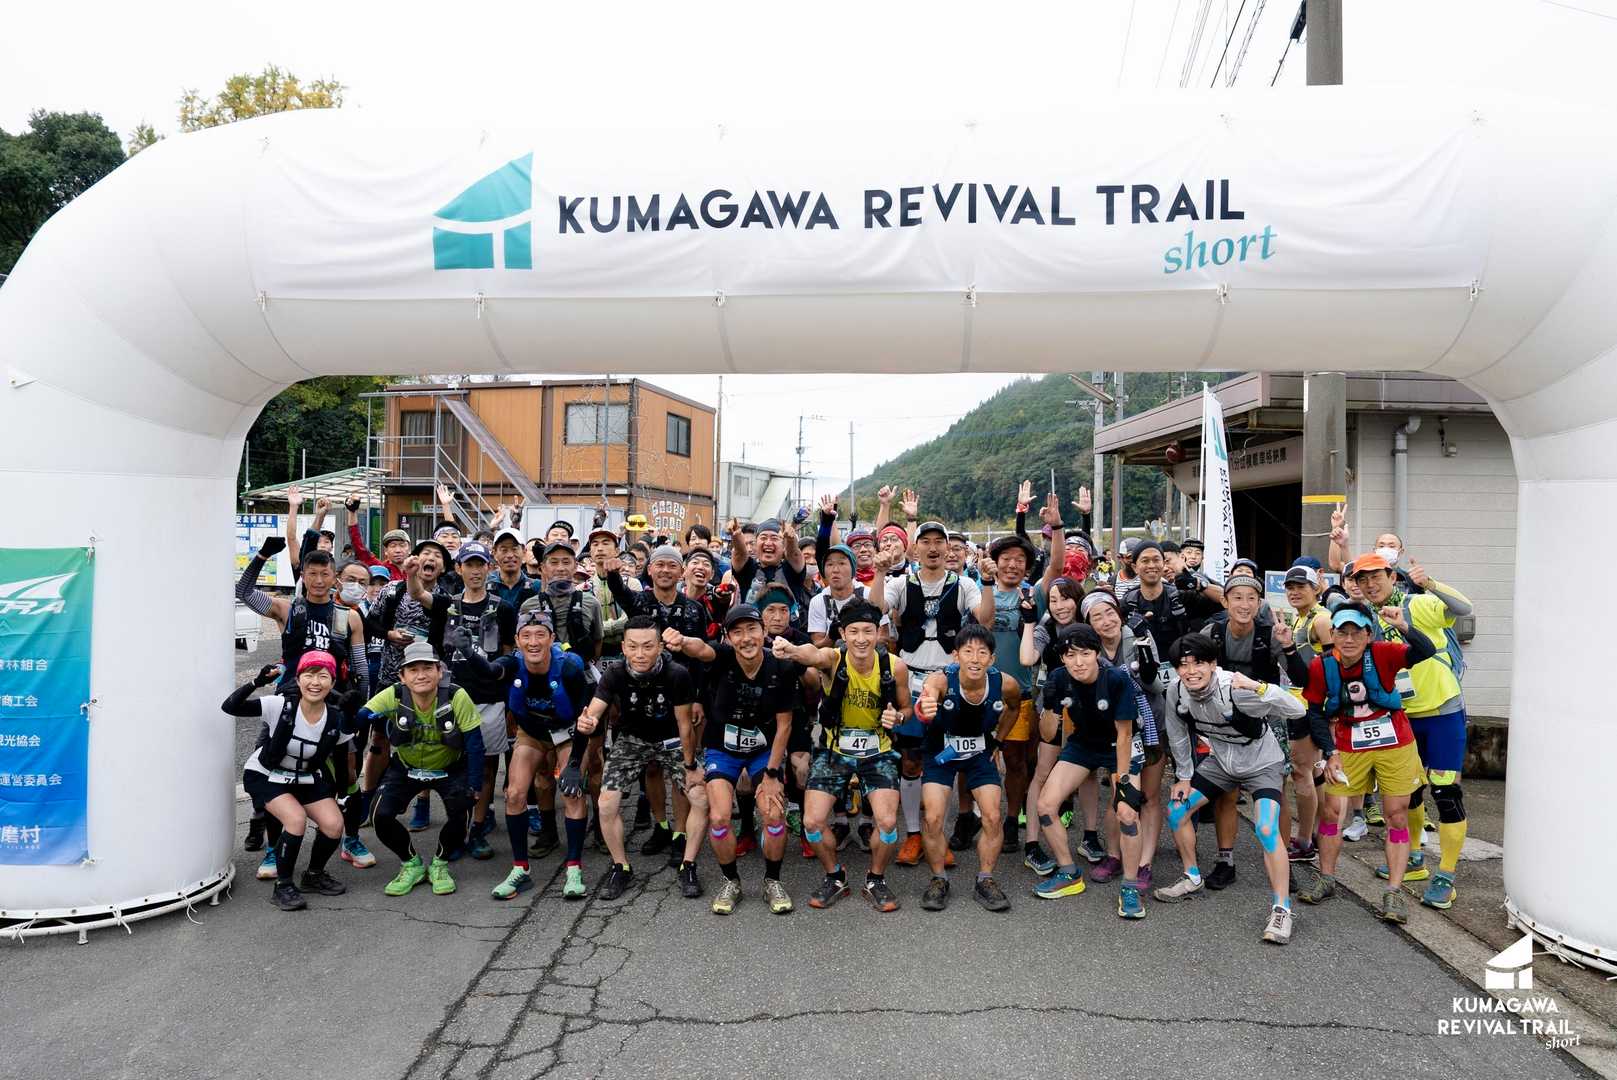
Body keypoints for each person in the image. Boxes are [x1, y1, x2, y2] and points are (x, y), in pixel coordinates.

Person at [1152, 633, 1313, 944]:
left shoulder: (1234, 689)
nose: (1191, 671)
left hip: (1262, 763)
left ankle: (1282, 910)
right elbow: (1177, 731)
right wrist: (1183, 776)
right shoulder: (1177, 690)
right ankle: (1192, 876)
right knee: (1177, 811)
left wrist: (1258, 687)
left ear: (1213, 664)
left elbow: (1297, 709)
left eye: (1199, 663)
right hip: (1221, 761)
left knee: (1266, 828)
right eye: (1183, 665)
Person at [1295, 601, 1436, 924]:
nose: (1349, 639)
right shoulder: (1322, 666)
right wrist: (1329, 751)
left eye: (1356, 632)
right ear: (1332, 634)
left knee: (1396, 814)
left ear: (1368, 635)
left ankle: (1394, 892)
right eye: (1342, 632)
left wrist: (1402, 625)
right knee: (1332, 810)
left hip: (1394, 741)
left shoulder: (1383, 653)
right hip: (1348, 742)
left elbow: (1425, 651)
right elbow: (1315, 712)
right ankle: (1327, 878)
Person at [1346, 552, 1474, 909]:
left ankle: (1446, 875)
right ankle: (1415, 858)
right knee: (1409, 791)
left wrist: (1428, 583)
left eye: (1376, 576)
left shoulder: (1417, 604)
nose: (1370, 584)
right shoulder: (1366, 619)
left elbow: (1464, 608)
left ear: (1392, 576)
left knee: (1446, 792)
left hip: (1442, 710)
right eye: (1362, 579)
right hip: (1401, 715)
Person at [771, 600, 912, 913]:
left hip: (879, 749)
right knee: (812, 823)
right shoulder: (833, 658)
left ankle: (876, 879)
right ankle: (835, 876)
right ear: (843, 634)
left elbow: (907, 708)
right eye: (854, 632)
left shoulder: (895, 666)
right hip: (834, 748)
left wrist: (899, 717)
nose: (861, 639)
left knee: (888, 823)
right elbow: (812, 653)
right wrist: (791, 650)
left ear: (879, 633)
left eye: (868, 631)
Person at [869, 514, 995, 864]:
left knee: (948, 757)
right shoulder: (901, 582)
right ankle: (914, 835)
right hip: (910, 679)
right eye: (926, 542)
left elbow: (984, 619)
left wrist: (987, 581)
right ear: (915, 548)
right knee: (911, 760)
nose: (933, 548)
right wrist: (879, 572)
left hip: (950, 681)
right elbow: (876, 608)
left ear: (948, 547)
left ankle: (936, 834)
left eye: (939, 541)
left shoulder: (964, 584)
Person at [673, 604, 795, 915]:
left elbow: (784, 726)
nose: (746, 638)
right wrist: (682, 641)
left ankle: (772, 880)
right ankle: (732, 881)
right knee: (719, 818)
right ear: (728, 638)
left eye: (752, 629)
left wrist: (772, 775)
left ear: (764, 632)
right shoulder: (723, 657)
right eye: (737, 632)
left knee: (773, 815)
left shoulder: (780, 667)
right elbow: (700, 649)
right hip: (722, 748)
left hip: (763, 749)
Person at [578, 617, 708, 899]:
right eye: (633, 647)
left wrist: (690, 766)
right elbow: (595, 709)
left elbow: (685, 726)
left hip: (671, 740)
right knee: (606, 804)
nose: (640, 654)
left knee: (700, 796)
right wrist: (588, 721)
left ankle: (688, 864)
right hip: (631, 741)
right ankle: (621, 866)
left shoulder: (677, 674)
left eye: (648, 646)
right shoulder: (614, 672)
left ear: (660, 646)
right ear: (623, 647)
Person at [1197, 568, 1310, 891]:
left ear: (1259, 603)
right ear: (1225, 601)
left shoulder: (1270, 634)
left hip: (1267, 719)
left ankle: (1282, 861)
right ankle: (1225, 861)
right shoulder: (1212, 633)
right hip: (1223, 718)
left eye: (1251, 598)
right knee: (1226, 791)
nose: (1244, 604)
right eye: (1237, 597)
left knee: (1277, 793)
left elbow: (1300, 678)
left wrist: (1289, 648)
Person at [407, 541, 518, 863]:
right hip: (450, 697)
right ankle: (457, 830)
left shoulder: (502, 608)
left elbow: (509, 652)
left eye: (480, 564)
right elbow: (418, 594)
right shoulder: (447, 604)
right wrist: (411, 574)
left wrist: (505, 690)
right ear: (459, 569)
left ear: (489, 568)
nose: (475, 571)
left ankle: (478, 829)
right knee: (453, 769)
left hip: (489, 698)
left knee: (486, 768)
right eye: (469, 565)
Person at [222, 652, 353, 910]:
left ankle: (313, 875)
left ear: (332, 682)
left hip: (304, 777)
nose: (315, 682)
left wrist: (342, 794)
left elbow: (340, 761)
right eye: (309, 675)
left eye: (323, 676)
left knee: (334, 824)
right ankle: (283, 885)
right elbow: (230, 707)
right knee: (295, 819)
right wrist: (257, 682)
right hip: (265, 774)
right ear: (298, 678)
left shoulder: (336, 717)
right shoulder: (280, 705)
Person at [355, 641, 485, 898]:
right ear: (402, 676)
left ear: (440, 671)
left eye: (428, 668)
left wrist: (475, 783)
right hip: (407, 766)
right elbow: (362, 715)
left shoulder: (457, 696)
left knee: (461, 813)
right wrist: (352, 714)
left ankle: (440, 864)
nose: (421, 675)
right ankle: (411, 864)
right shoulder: (394, 694)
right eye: (413, 670)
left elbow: (475, 743)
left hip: (450, 767)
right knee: (380, 815)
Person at [1031, 625, 1143, 915]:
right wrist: (1049, 707)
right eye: (1070, 655)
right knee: (1045, 805)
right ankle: (1069, 873)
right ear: (1063, 658)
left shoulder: (1116, 679)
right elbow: (1047, 734)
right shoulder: (1058, 678)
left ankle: (1131, 886)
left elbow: (1125, 735)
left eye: (1085, 654)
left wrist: (1123, 783)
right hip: (1083, 743)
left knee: (1127, 812)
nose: (1078, 662)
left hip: (1118, 745)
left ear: (1096, 653)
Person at [981, 484, 1065, 859]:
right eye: (1007, 559)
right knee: (976, 757)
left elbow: (1057, 568)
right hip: (981, 691)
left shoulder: (1033, 594)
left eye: (1020, 560)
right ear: (995, 562)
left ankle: (1013, 819)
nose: (1013, 564)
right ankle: (974, 818)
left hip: (1022, 695)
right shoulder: (979, 590)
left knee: (1016, 761)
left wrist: (1057, 527)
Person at [914, 623, 1020, 911]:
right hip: (941, 750)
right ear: (955, 655)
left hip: (979, 751)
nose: (975, 659)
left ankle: (985, 879)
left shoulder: (1005, 683)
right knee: (933, 818)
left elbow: (1014, 707)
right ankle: (938, 879)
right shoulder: (941, 680)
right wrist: (926, 706)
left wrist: (999, 740)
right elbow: (927, 696)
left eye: (982, 653)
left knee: (992, 816)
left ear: (992, 659)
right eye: (968, 651)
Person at [489, 609, 595, 900]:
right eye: (526, 636)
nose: (533, 642)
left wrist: (574, 765)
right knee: (514, 794)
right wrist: (468, 654)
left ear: (552, 638)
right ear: (517, 640)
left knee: (572, 791)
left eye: (540, 635)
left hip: (568, 731)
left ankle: (574, 868)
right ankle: (520, 869)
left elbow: (585, 720)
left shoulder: (570, 669)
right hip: (533, 732)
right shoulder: (513, 664)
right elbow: (489, 672)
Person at [1075, 587, 1166, 888]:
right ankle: (1114, 855)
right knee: (1120, 794)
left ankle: (1144, 862)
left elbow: (1155, 684)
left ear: (1119, 613)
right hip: (1114, 730)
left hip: (1150, 724)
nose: (1106, 621)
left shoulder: (1137, 634)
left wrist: (1143, 645)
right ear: (1089, 624)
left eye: (1110, 612)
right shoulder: (1089, 649)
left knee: (1148, 796)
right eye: (1097, 617)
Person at [1277, 564, 1334, 859]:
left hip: (1309, 706)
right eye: (1290, 587)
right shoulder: (1301, 617)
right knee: (1313, 773)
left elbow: (1336, 664)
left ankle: (1304, 842)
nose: (1295, 592)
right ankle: (1316, 834)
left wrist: (1329, 709)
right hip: (1297, 702)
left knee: (1301, 772)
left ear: (1316, 588)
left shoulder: (1321, 619)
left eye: (1301, 586)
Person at [728, 516, 809, 627]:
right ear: (756, 544)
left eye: (774, 538)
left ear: (783, 546)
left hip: (788, 633)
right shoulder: (748, 568)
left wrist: (790, 539)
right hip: (753, 631)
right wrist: (736, 536)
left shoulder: (791, 568)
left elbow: (793, 553)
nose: (768, 543)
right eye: (763, 538)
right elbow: (740, 553)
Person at [488, 527, 537, 609]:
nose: (510, 555)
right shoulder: (484, 587)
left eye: (514, 549)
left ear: (524, 552)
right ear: (494, 553)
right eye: (504, 550)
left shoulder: (537, 587)